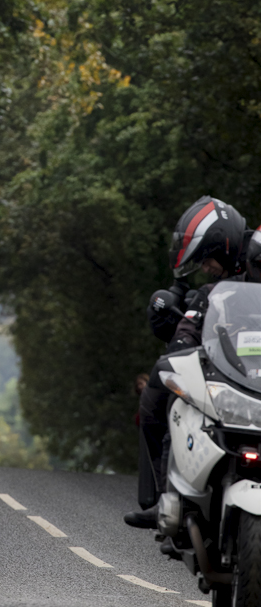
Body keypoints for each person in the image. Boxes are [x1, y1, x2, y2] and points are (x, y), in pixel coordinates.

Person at [125, 197, 254, 529]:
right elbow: (196, 321)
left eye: (207, 259)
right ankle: (164, 500)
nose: (204, 268)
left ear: (224, 248)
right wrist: (176, 328)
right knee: (166, 387)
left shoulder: (255, 256)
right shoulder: (218, 285)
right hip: (234, 370)